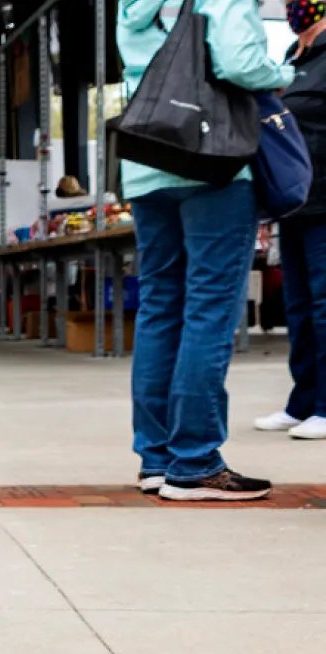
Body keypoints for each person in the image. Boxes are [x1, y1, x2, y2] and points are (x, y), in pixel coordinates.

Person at [117, 0, 292, 500]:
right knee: (209, 310)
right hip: (213, 161)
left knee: (159, 308)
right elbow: (240, 62)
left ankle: (156, 458)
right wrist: (282, 70)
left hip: (148, 161)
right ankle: (194, 462)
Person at [254, 0, 326, 440]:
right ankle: (301, 402)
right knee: (297, 308)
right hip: (295, 204)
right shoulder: (290, 60)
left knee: (324, 305)